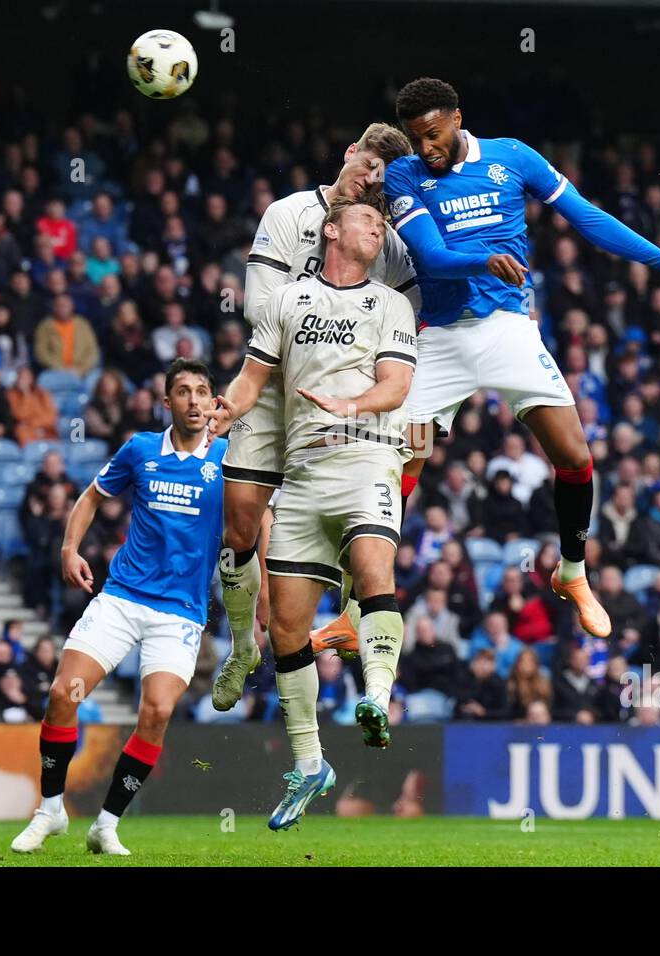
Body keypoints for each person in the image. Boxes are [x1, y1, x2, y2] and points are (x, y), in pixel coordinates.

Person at [383, 77, 660, 640]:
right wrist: (485, 259)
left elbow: (587, 217)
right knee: (400, 468)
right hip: (440, 339)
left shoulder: (513, 158)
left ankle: (573, 572)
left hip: (508, 331)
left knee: (575, 457)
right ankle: (364, 599)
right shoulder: (404, 175)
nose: (426, 149)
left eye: (433, 135)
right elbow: (431, 258)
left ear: (457, 119)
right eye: (417, 139)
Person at [210, 195, 416, 825]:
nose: (378, 227)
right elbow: (252, 379)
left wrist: (349, 406)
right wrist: (226, 409)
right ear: (331, 229)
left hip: (366, 459)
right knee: (287, 630)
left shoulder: (391, 303)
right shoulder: (284, 302)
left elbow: (397, 385)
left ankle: (378, 696)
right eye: (367, 219)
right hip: (301, 474)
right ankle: (308, 765)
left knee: (375, 571)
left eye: (382, 224)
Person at [216, 123, 419, 683]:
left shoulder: (385, 242)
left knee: (393, 470)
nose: (372, 179)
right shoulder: (286, 214)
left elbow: (407, 320)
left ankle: (357, 617)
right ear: (351, 151)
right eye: (370, 164)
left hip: (339, 405)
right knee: (238, 529)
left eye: (384, 177)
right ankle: (240, 646)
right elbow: (259, 309)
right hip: (272, 384)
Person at [10, 358, 226, 856]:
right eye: (183, 392)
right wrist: (69, 548)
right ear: (166, 401)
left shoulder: (231, 459)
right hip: (123, 598)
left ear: (215, 402)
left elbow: (260, 517)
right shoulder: (141, 449)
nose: (193, 400)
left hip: (180, 613)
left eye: (202, 391)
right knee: (65, 693)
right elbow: (90, 496)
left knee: (156, 710)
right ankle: (50, 811)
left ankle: (106, 824)